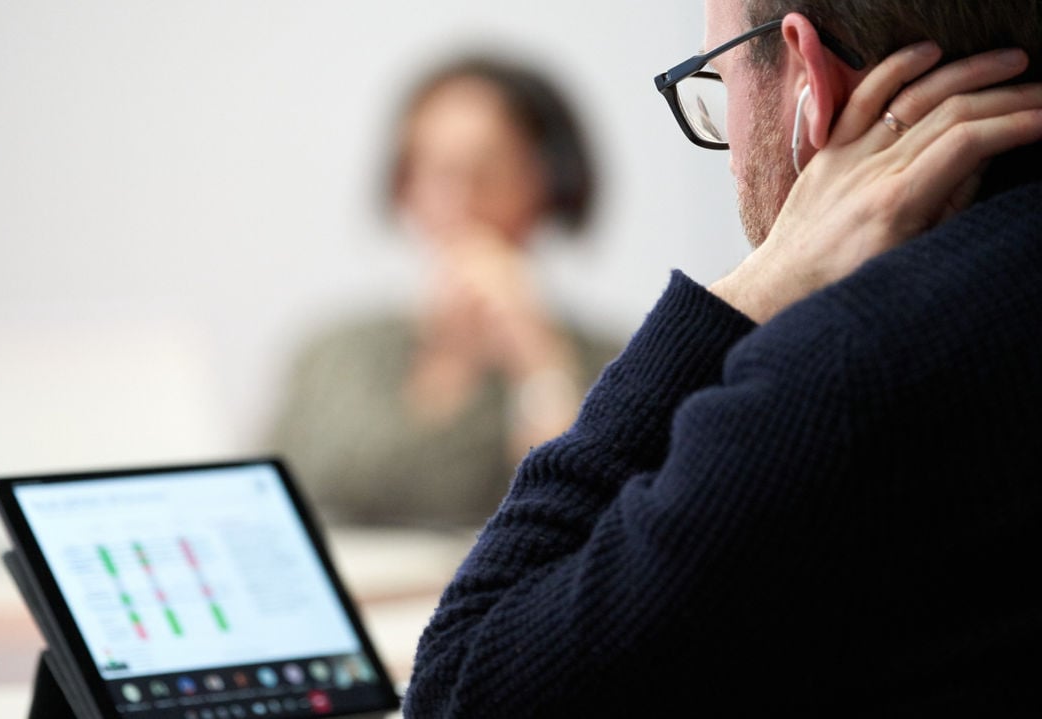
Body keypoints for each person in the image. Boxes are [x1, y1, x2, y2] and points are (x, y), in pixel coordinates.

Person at [405, 0, 1042, 714]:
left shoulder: (842, 371)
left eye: (718, 81)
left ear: (807, 72)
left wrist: (747, 293)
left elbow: (462, 689)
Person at [267, 56, 622, 527]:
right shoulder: (332, 353)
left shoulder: (615, 363)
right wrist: (449, 364)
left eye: (485, 173)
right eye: (431, 172)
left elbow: (585, 510)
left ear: (547, 184)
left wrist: (540, 363)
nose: (457, 203)